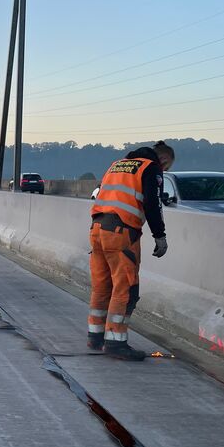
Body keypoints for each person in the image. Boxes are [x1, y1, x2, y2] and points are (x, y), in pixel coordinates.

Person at [87, 140, 174, 360]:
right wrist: (160, 235)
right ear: (162, 160)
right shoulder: (150, 168)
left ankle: (95, 337)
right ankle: (116, 343)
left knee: (102, 286)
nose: (163, 172)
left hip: (97, 229)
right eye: (166, 168)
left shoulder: (117, 165)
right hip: (121, 232)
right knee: (125, 288)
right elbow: (152, 203)